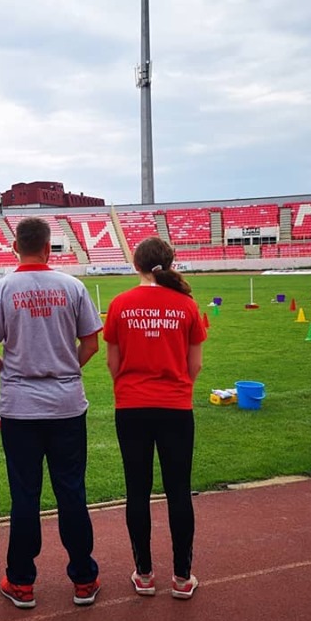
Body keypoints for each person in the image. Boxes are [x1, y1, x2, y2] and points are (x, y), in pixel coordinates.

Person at [0, 216, 103, 609]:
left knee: (24, 495)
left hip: (21, 408)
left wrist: (13, 374)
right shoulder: (73, 286)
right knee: (71, 492)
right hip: (66, 404)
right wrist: (66, 370)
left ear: (15, 247)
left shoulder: (1, 290)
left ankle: (21, 581)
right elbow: (92, 344)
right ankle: (83, 578)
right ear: (49, 248)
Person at [103, 236, 206, 600]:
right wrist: (174, 388)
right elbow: (195, 366)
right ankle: (182, 577)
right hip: (175, 407)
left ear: (136, 265)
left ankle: (144, 574)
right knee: (179, 491)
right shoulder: (187, 306)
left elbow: (112, 364)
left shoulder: (119, 305)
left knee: (137, 491)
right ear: (171, 262)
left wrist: (132, 387)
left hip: (131, 407)